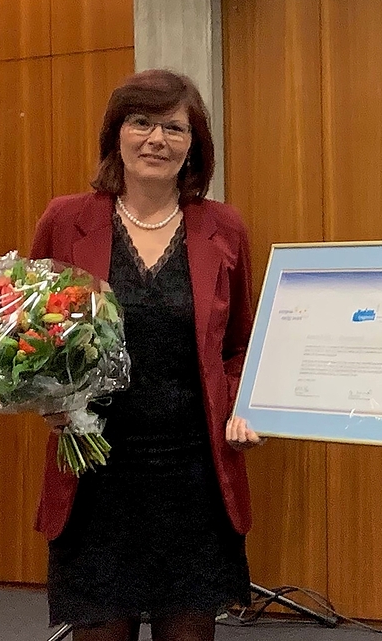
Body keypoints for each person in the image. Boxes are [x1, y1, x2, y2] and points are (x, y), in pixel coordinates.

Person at [30, 69, 264, 641]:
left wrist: (246, 406)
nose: (156, 140)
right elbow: (29, 331)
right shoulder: (66, 220)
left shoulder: (224, 227)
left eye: (174, 128)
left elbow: (240, 345)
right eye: (141, 123)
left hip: (194, 478)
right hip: (96, 479)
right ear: (117, 135)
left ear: (194, 145)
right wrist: (44, 396)